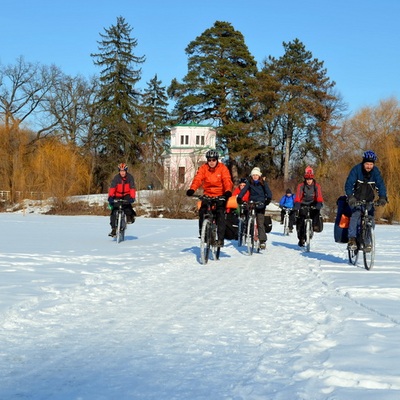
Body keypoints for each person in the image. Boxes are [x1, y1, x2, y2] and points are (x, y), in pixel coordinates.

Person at [186, 150, 233, 247]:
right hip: (207, 194)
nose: (211, 162)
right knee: (202, 211)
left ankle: (220, 239)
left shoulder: (222, 168)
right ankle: (203, 234)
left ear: (217, 160)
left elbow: (226, 180)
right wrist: (192, 189)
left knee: (220, 215)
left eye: (214, 160)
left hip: (220, 195)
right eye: (209, 160)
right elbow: (198, 179)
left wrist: (228, 191)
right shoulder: (203, 168)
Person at [345, 150, 387, 250]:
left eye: (371, 164)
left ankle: (367, 241)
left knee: (371, 220)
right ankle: (352, 239)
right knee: (355, 216)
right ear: (363, 162)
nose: (369, 166)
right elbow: (349, 184)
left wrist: (382, 197)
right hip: (356, 199)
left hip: (369, 200)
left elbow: (380, 185)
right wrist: (350, 197)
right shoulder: (356, 170)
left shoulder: (375, 172)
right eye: (367, 164)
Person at [237, 167, 272, 250]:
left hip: (261, 203)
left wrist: (268, 199)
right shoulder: (249, 183)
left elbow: (268, 192)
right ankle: (248, 231)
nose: (255, 176)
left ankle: (262, 241)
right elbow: (244, 190)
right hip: (252, 202)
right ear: (251, 176)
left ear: (259, 175)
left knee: (260, 222)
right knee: (248, 217)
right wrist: (239, 197)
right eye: (253, 175)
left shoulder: (263, 183)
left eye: (256, 175)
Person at [294, 166, 324, 247]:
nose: (309, 181)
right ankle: (301, 238)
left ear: (312, 179)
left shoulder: (316, 186)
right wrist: (297, 204)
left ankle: (315, 226)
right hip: (303, 203)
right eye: (307, 179)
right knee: (301, 219)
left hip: (313, 203)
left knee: (316, 212)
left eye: (310, 179)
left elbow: (319, 196)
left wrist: (319, 203)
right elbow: (298, 196)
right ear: (305, 179)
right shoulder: (301, 186)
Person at [108, 163, 136, 237]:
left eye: (124, 171)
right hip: (117, 195)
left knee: (127, 207)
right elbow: (112, 188)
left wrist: (132, 197)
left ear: (126, 171)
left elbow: (132, 188)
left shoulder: (130, 178)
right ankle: (114, 229)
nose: (122, 173)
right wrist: (110, 197)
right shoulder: (116, 178)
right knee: (114, 211)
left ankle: (130, 217)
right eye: (121, 171)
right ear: (119, 171)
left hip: (126, 195)